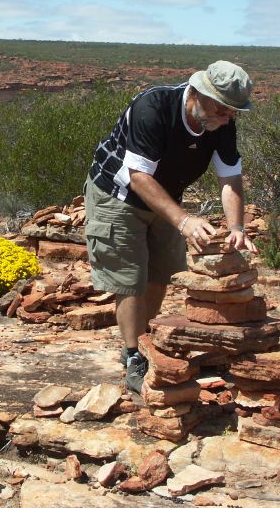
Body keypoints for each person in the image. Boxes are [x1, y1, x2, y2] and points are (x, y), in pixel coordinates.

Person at [84, 60, 258, 393]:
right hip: (117, 194)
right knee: (130, 279)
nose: (228, 117)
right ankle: (134, 355)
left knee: (161, 273)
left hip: (165, 195)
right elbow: (138, 177)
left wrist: (237, 226)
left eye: (234, 111)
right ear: (197, 94)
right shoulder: (154, 107)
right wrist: (183, 220)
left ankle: (146, 344)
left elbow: (230, 177)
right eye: (223, 108)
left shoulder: (222, 122)